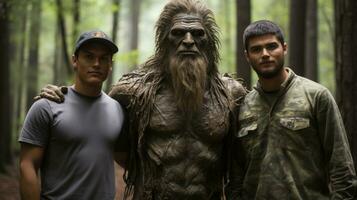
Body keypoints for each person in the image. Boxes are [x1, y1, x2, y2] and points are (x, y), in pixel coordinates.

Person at [37, 0, 247, 199]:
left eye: (198, 34)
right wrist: (64, 95)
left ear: (208, 42)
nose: (189, 41)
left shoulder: (231, 94)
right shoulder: (133, 91)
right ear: (165, 41)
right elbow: (93, 108)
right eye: (178, 33)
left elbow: (256, 130)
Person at [229, 20, 357, 199]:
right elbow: (236, 177)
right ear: (247, 56)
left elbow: (342, 170)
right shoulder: (242, 106)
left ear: (284, 48)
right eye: (256, 49)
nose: (265, 54)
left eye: (271, 46)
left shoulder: (316, 96)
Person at [19, 30, 127, 200]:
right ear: (75, 61)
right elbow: (27, 165)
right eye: (89, 57)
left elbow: (125, 157)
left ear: (110, 64)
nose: (97, 64)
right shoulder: (46, 106)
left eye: (104, 58)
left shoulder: (118, 109)